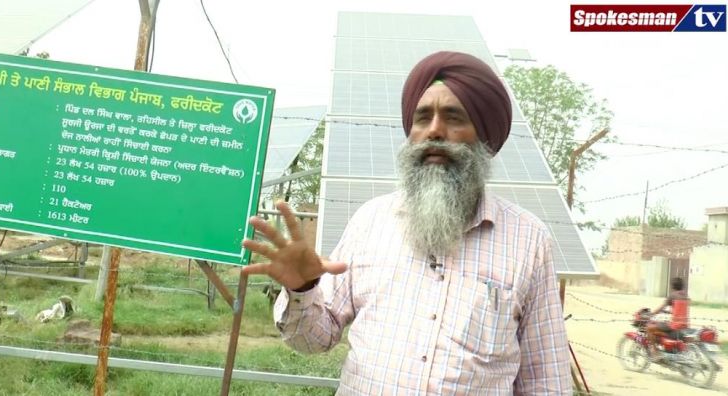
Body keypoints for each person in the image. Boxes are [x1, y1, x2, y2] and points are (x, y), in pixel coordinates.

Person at [242, 51, 572, 395]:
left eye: (454, 117)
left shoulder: (528, 239)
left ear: (484, 137)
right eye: (422, 117)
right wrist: (302, 290)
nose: (434, 131)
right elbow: (314, 340)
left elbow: (545, 380)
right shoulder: (371, 221)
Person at [646, 277, 689, 361]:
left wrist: (651, 314)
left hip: (674, 325)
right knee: (662, 324)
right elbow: (679, 309)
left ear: (672, 287)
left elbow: (661, 308)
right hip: (684, 324)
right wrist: (670, 312)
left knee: (649, 328)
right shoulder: (685, 296)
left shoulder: (672, 295)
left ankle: (655, 352)